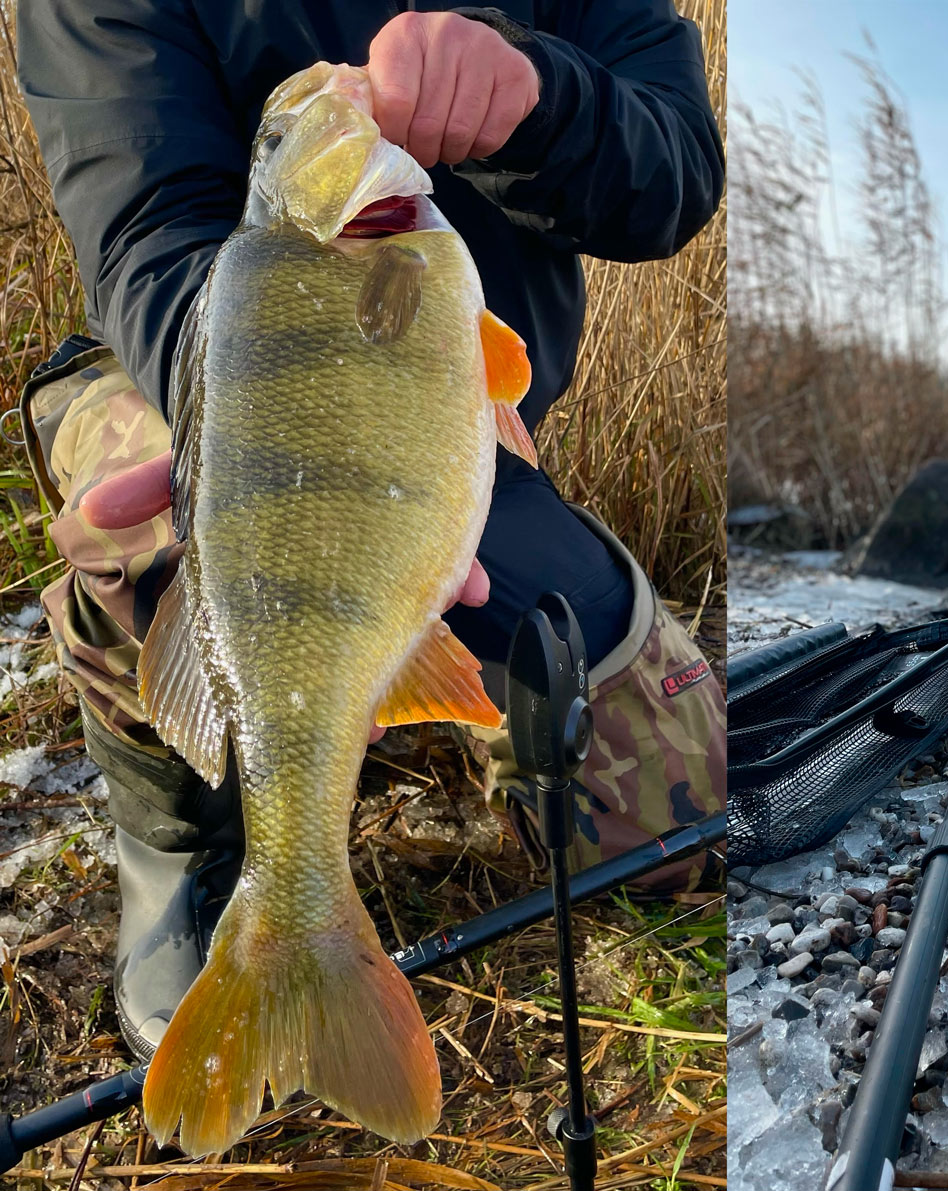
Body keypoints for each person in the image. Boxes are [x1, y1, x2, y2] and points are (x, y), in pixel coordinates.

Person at [17, 2, 725, 1063]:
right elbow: (147, 227)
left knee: (691, 812)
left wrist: (536, 99)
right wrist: (245, 445)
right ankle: (185, 833)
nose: (316, 98)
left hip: (438, 447)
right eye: (282, 136)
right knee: (142, 514)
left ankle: (391, 719)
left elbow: (673, 176)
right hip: (178, 369)